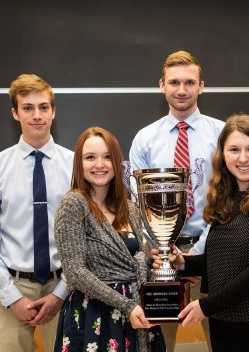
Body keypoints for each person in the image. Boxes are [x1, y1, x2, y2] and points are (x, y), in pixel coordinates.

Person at [153, 114, 249, 351]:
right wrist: (183, 264)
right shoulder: (224, 198)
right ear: (223, 155)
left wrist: (206, 307)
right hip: (224, 323)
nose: (243, 158)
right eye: (234, 150)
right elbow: (222, 260)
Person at [129, 50, 224, 351]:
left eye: (189, 82)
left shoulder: (222, 135)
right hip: (159, 258)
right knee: (158, 344)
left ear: (201, 86)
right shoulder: (145, 138)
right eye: (174, 82)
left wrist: (197, 254)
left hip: (213, 253)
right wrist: (159, 249)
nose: (181, 90)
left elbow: (227, 199)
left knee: (220, 341)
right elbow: (135, 202)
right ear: (162, 85)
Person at [0, 74, 73, 351]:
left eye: (43, 107)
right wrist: (11, 297)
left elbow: (86, 235)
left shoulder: (76, 166)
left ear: (53, 111)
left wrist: (61, 293)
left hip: (64, 285)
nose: (37, 115)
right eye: (27, 108)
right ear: (15, 113)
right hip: (11, 285)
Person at [53, 127, 165, 352]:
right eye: (90, 157)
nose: (99, 164)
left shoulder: (129, 207)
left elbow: (135, 260)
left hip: (136, 315)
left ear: (117, 162)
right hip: (95, 316)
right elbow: (75, 272)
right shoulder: (73, 204)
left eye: (107, 157)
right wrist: (127, 305)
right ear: (79, 163)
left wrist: (154, 263)